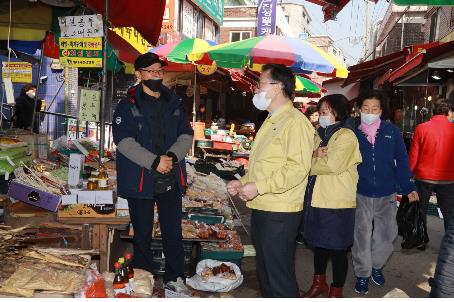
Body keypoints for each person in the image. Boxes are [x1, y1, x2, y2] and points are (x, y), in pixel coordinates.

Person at [227, 64, 314, 298]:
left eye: (261, 84)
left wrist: (259, 187)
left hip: (280, 212)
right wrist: (243, 181)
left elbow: (297, 169)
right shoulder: (272, 119)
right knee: (266, 274)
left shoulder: (295, 122)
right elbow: (266, 164)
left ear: (278, 87)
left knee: (278, 277)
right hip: (264, 207)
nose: (256, 89)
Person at [112, 53, 193, 294]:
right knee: (143, 234)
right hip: (141, 178)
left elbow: (186, 134)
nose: (156, 75)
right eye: (151, 71)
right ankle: (143, 280)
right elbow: (123, 141)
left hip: (170, 175)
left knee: (173, 232)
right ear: (139, 74)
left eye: (159, 71)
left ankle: (174, 278)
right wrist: (154, 162)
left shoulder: (174, 102)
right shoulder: (127, 105)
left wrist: (172, 158)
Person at [352, 90, 418, 295]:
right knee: (361, 236)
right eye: (366, 108)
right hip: (359, 192)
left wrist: (409, 187)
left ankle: (377, 267)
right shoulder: (351, 132)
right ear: (359, 109)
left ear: (381, 111)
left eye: (375, 109)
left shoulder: (392, 131)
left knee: (386, 234)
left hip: (387, 192)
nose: (370, 112)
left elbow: (402, 161)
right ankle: (362, 273)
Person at [301, 94, 362, 298]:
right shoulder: (320, 133)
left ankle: (336, 291)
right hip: (317, 198)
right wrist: (314, 155)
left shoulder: (346, 136)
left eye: (326, 110)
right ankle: (319, 283)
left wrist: (308, 165)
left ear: (338, 111)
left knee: (337, 249)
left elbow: (332, 165)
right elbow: (305, 153)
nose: (322, 114)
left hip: (337, 203)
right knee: (319, 245)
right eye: (321, 110)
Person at [409, 99, 454, 233]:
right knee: (449, 214)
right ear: (448, 113)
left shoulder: (421, 128)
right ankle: (450, 243)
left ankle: (421, 239)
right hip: (449, 179)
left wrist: (408, 175)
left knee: (421, 209)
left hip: (424, 177)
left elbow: (414, 155)